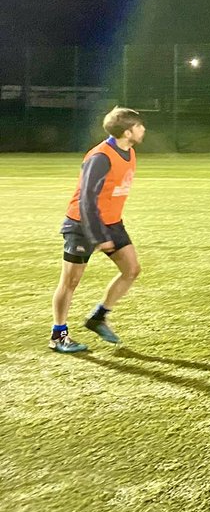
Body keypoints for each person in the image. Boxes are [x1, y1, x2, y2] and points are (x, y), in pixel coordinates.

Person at [49, 107, 146, 353]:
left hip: (112, 222)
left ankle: (98, 317)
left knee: (132, 270)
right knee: (70, 282)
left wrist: (107, 230)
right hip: (82, 225)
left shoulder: (129, 152)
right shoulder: (100, 156)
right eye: (139, 125)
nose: (143, 129)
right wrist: (97, 236)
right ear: (128, 131)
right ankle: (58, 336)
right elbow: (86, 200)